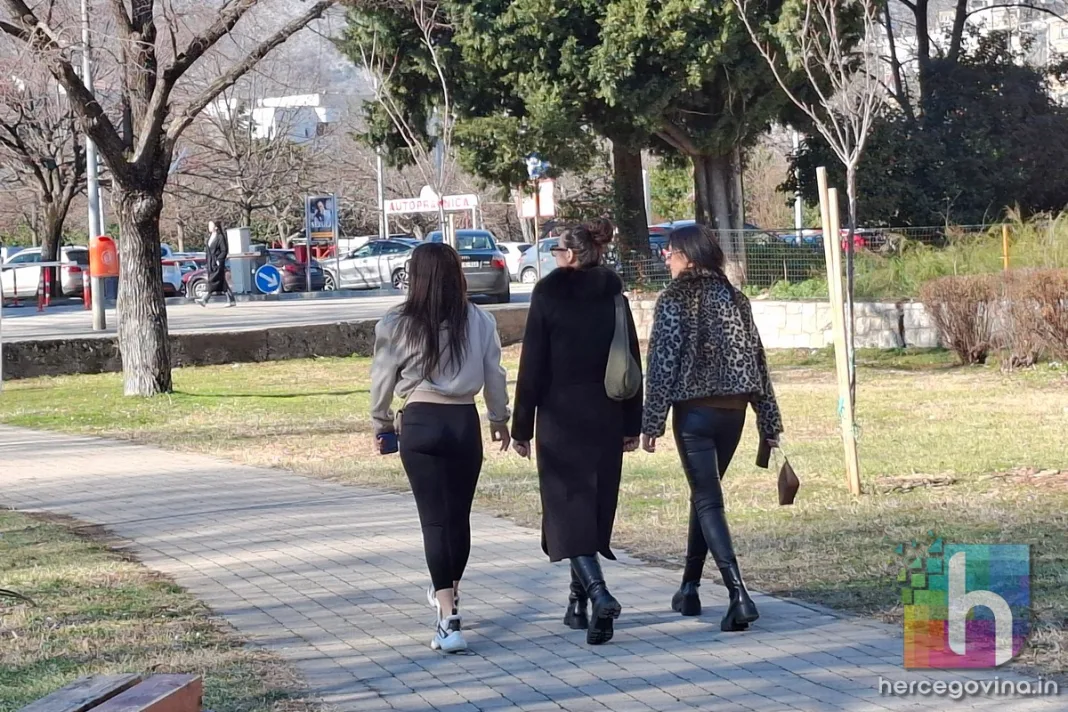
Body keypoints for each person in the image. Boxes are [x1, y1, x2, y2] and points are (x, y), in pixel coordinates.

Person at [641, 224, 783, 632]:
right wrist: (769, 420)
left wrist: (652, 420)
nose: (666, 259)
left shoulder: (673, 298)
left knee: (707, 499)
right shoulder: (736, 298)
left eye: (670, 252)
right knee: (705, 497)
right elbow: (757, 360)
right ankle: (689, 587)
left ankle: (738, 593)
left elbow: (662, 362)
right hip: (734, 413)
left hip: (695, 414)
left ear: (687, 256)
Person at [370, 242, 511, 654]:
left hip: (420, 419)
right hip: (464, 421)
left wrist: (381, 422)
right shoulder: (480, 319)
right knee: (458, 518)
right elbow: (495, 373)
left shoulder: (397, 322)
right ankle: (452, 592)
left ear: (415, 276)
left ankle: (447, 617)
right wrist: (499, 418)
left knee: (433, 521)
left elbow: (382, 379)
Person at [511, 219, 643, 646]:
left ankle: (599, 594)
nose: (553, 258)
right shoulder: (614, 295)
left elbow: (532, 363)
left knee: (568, 510)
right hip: (606, 413)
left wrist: (521, 426)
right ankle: (576, 603)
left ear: (568, 254)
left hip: (560, 417)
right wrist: (632, 422)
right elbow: (631, 360)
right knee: (592, 507)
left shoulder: (548, 293)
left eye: (555, 252)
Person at [198, 220, 235, 307]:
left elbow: (224, 250)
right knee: (222, 282)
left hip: (217, 263)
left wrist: (219, 259)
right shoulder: (210, 237)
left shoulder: (220, 237)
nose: (209, 227)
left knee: (212, 280)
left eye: (211, 225)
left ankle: (205, 299)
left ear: (216, 227)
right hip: (210, 263)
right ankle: (231, 300)